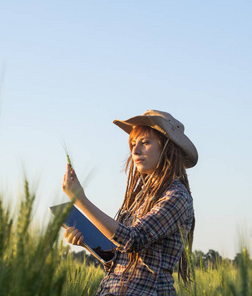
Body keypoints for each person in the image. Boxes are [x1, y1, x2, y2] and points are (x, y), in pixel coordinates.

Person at [62, 110, 198, 296]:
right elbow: (121, 258)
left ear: (167, 147)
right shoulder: (140, 197)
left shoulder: (177, 197)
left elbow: (133, 239)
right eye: (133, 144)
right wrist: (87, 242)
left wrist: (81, 200)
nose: (135, 151)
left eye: (145, 142)